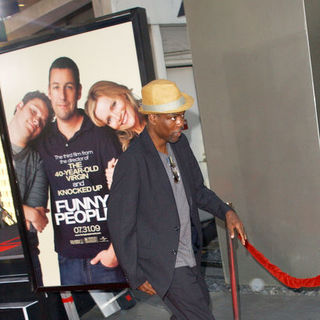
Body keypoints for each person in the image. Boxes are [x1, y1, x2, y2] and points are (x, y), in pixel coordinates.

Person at [107, 79, 247, 320]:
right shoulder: (133, 161)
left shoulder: (179, 145)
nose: (181, 123)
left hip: (190, 252)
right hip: (164, 263)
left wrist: (226, 211)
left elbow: (198, 190)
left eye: (181, 116)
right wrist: (136, 274)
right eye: (173, 117)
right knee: (200, 315)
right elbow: (120, 223)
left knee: (192, 310)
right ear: (152, 118)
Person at [36, 57, 125, 285]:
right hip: (68, 260)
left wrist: (115, 252)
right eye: (56, 87)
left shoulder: (101, 132)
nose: (62, 95)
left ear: (78, 91)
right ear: (49, 91)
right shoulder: (43, 140)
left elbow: (124, 193)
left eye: (68, 87)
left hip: (108, 256)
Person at [8, 90, 53, 286]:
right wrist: (27, 212)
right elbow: (32, 215)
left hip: (24, 252)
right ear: (19, 106)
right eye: (34, 111)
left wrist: (33, 216)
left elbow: (35, 223)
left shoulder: (37, 161)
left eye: (42, 121)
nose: (37, 121)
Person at [85, 80, 146, 151]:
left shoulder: (157, 109)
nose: (117, 117)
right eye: (109, 120)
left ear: (123, 94)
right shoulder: (128, 150)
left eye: (114, 105)